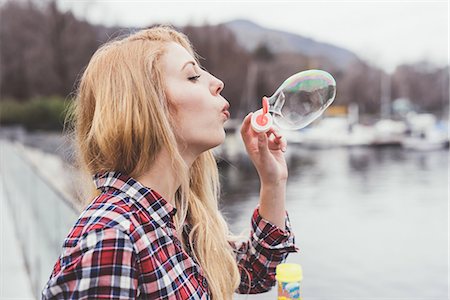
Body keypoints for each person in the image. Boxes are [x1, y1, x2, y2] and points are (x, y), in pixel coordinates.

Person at [42, 25, 298, 300]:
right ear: (148, 106)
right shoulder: (112, 236)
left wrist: (273, 181)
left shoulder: (180, 222)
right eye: (192, 76)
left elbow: (254, 272)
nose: (217, 82)